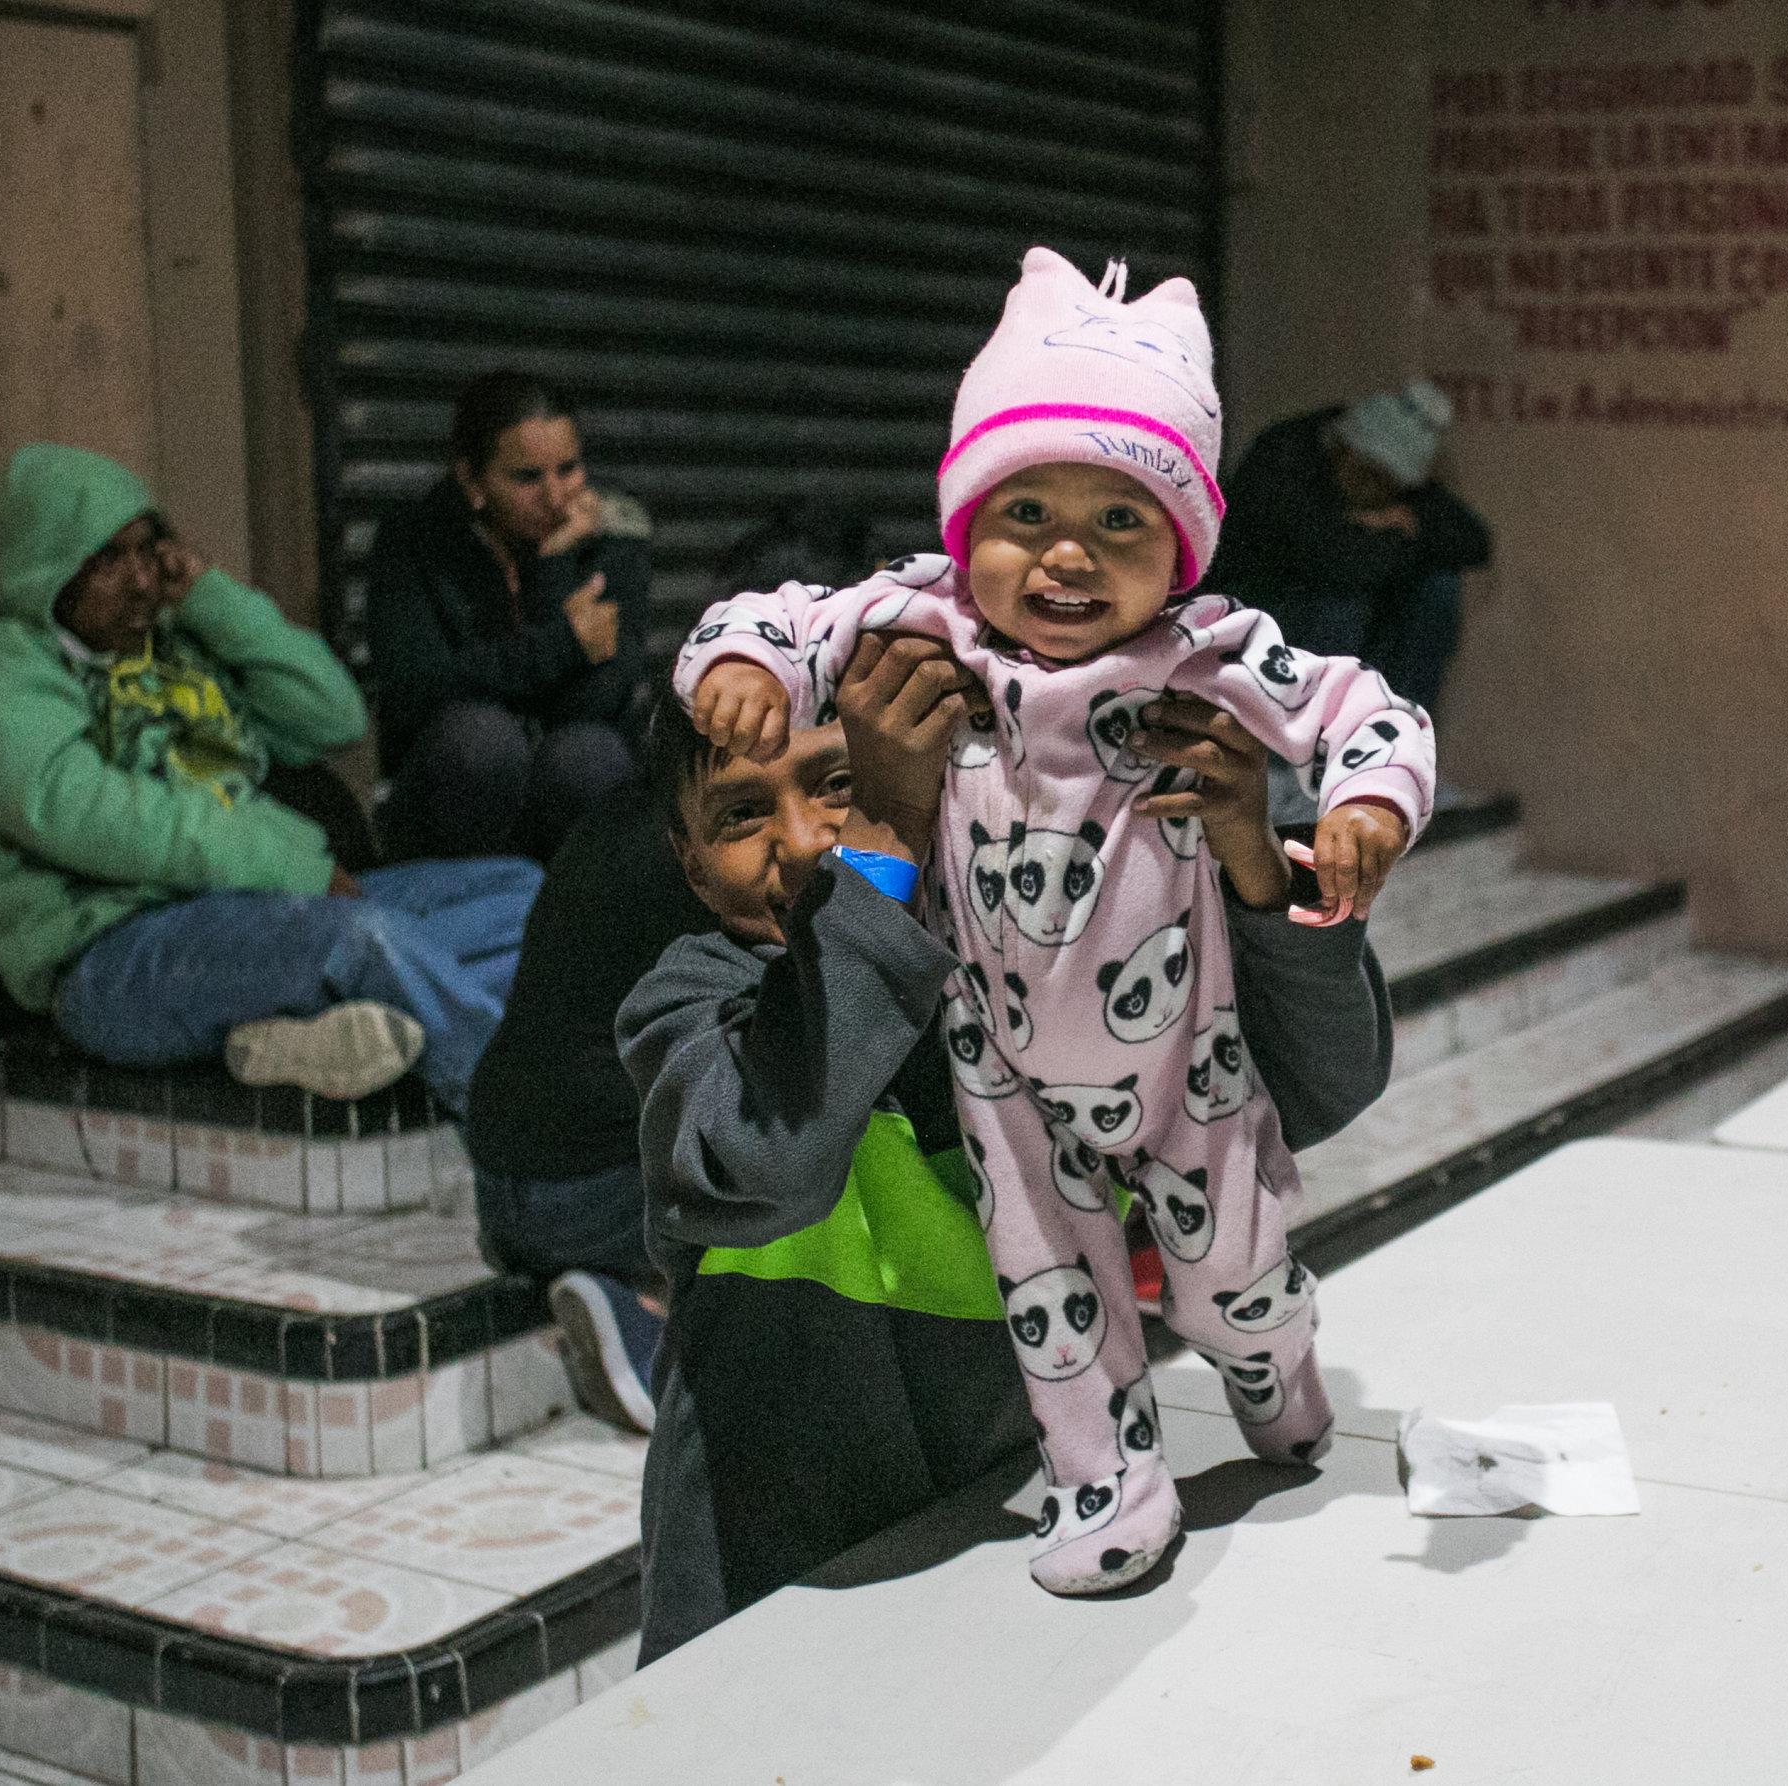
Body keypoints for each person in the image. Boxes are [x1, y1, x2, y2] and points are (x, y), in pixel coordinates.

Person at [675, 247, 1436, 1597]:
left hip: (1186, 1060)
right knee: (1055, 1298)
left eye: (1121, 521)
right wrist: (737, 664)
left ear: (1183, 542)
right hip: (1004, 1072)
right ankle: (1105, 1483)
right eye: (1025, 509)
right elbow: (780, 618)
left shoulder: (1210, 649)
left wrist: (1364, 806)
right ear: (969, 523)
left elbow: (1368, 709)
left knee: (1232, 1287)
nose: (1068, 553)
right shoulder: (929, 619)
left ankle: (1278, 1363)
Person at [621, 629, 1395, 1659]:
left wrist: (1249, 864)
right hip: (758, 1570)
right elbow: (769, 1157)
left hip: (1001, 1524)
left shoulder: (1055, 996)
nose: (806, 839)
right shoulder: (691, 1004)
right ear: (686, 859)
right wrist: (884, 831)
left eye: (842, 781)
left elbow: (1319, 1083)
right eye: (741, 813)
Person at [0, 443, 539, 1112]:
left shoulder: (173, 653)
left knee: (525, 897)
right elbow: (103, 821)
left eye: (147, 552)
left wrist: (212, 599)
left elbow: (335, 716)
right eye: (107, 559)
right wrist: (291, 870)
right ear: (47, 568)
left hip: (255, 916)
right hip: (115, 958)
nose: (139, 582)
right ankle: (532, 1121)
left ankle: (298, 1034)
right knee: (362, 941)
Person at [463, 510, 880, 1433]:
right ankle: (661, 1340)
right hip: (574, 1183)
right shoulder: (753, 823)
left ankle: (638, 1285)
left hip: (526, 1176)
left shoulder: (695, 765)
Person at [366, 371, 652, 863]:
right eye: (527, 477)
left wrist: (552, 563)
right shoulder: (414, 542)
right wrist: (564, 645)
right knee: (481, 740)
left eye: (568, 469)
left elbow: (599, 699)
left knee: (589, 755)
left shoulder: (612, 539)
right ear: (472, 480)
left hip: (560, 790)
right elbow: (416, 687)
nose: (557, 496)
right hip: (455, 796)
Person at [1205, 377, 1492, 714]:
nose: (1372, 492)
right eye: (1367, 476)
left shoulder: (1395, 487)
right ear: (1343, 449)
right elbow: (1337, 563)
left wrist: (1410, 522)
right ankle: (1309, 736)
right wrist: (1391, 534)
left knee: (1438, 586)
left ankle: (1402, 726)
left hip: (1347, 623)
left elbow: (1473, 541)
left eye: (1387, 485)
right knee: (1343, 602)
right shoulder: (1284, 458)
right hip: (1264, 618)